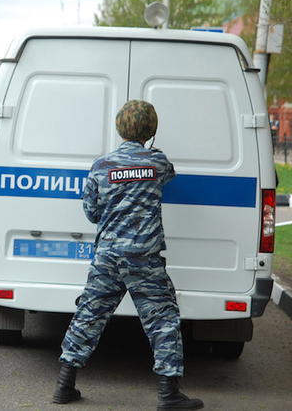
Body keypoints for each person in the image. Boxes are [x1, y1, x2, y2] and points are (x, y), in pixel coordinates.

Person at [53, 101, 203, 411]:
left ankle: (64, 386)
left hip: (107, 256)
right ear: (151, 130)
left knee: (88, 316)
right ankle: (168, 395)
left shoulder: (100, 166)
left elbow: (91, 213)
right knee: (163, 320)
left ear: (120, 127)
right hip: (143, 258)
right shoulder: (158, 163)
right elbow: (168, 175)